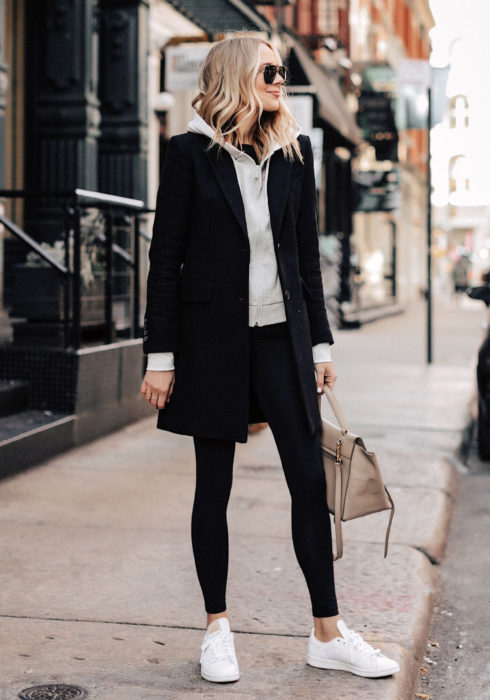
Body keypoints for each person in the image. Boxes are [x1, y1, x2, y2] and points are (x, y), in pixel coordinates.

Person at [140, 33, 400, 684]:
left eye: (282, 72)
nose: (282, 82)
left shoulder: (294, 152)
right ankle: (217, 629)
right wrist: (160, 356)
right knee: (214, 487)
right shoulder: (188, 157)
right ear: (235, 78)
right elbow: (163, 263)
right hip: (211, 345)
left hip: (282, 340)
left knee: (311, 484)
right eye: (271, 72)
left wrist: (319, 344)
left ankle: (328, 632)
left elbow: (303, 257)